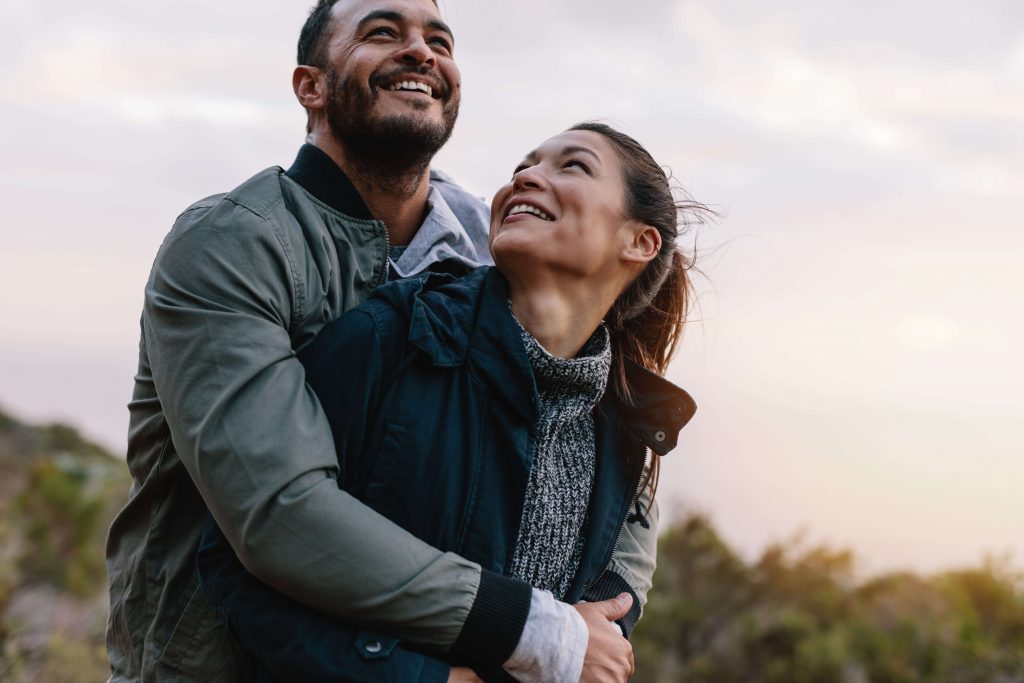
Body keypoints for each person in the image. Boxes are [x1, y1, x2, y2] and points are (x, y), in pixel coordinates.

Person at [104, 0, 656, 681]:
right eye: (382, 32)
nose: (422, 52)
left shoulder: (501, 253)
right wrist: (529, 630)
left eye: (439, 40)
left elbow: (598, 442)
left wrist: (590, 626)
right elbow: (281, 513)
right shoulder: (234, 243)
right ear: (310, 86)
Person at [197, 122, 702, 682]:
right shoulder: (389, 340)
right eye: (523, 168)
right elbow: (236, 566)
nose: (527, 177)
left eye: (572, 166)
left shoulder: (628, 429)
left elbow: (597, 628)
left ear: (639, 241)